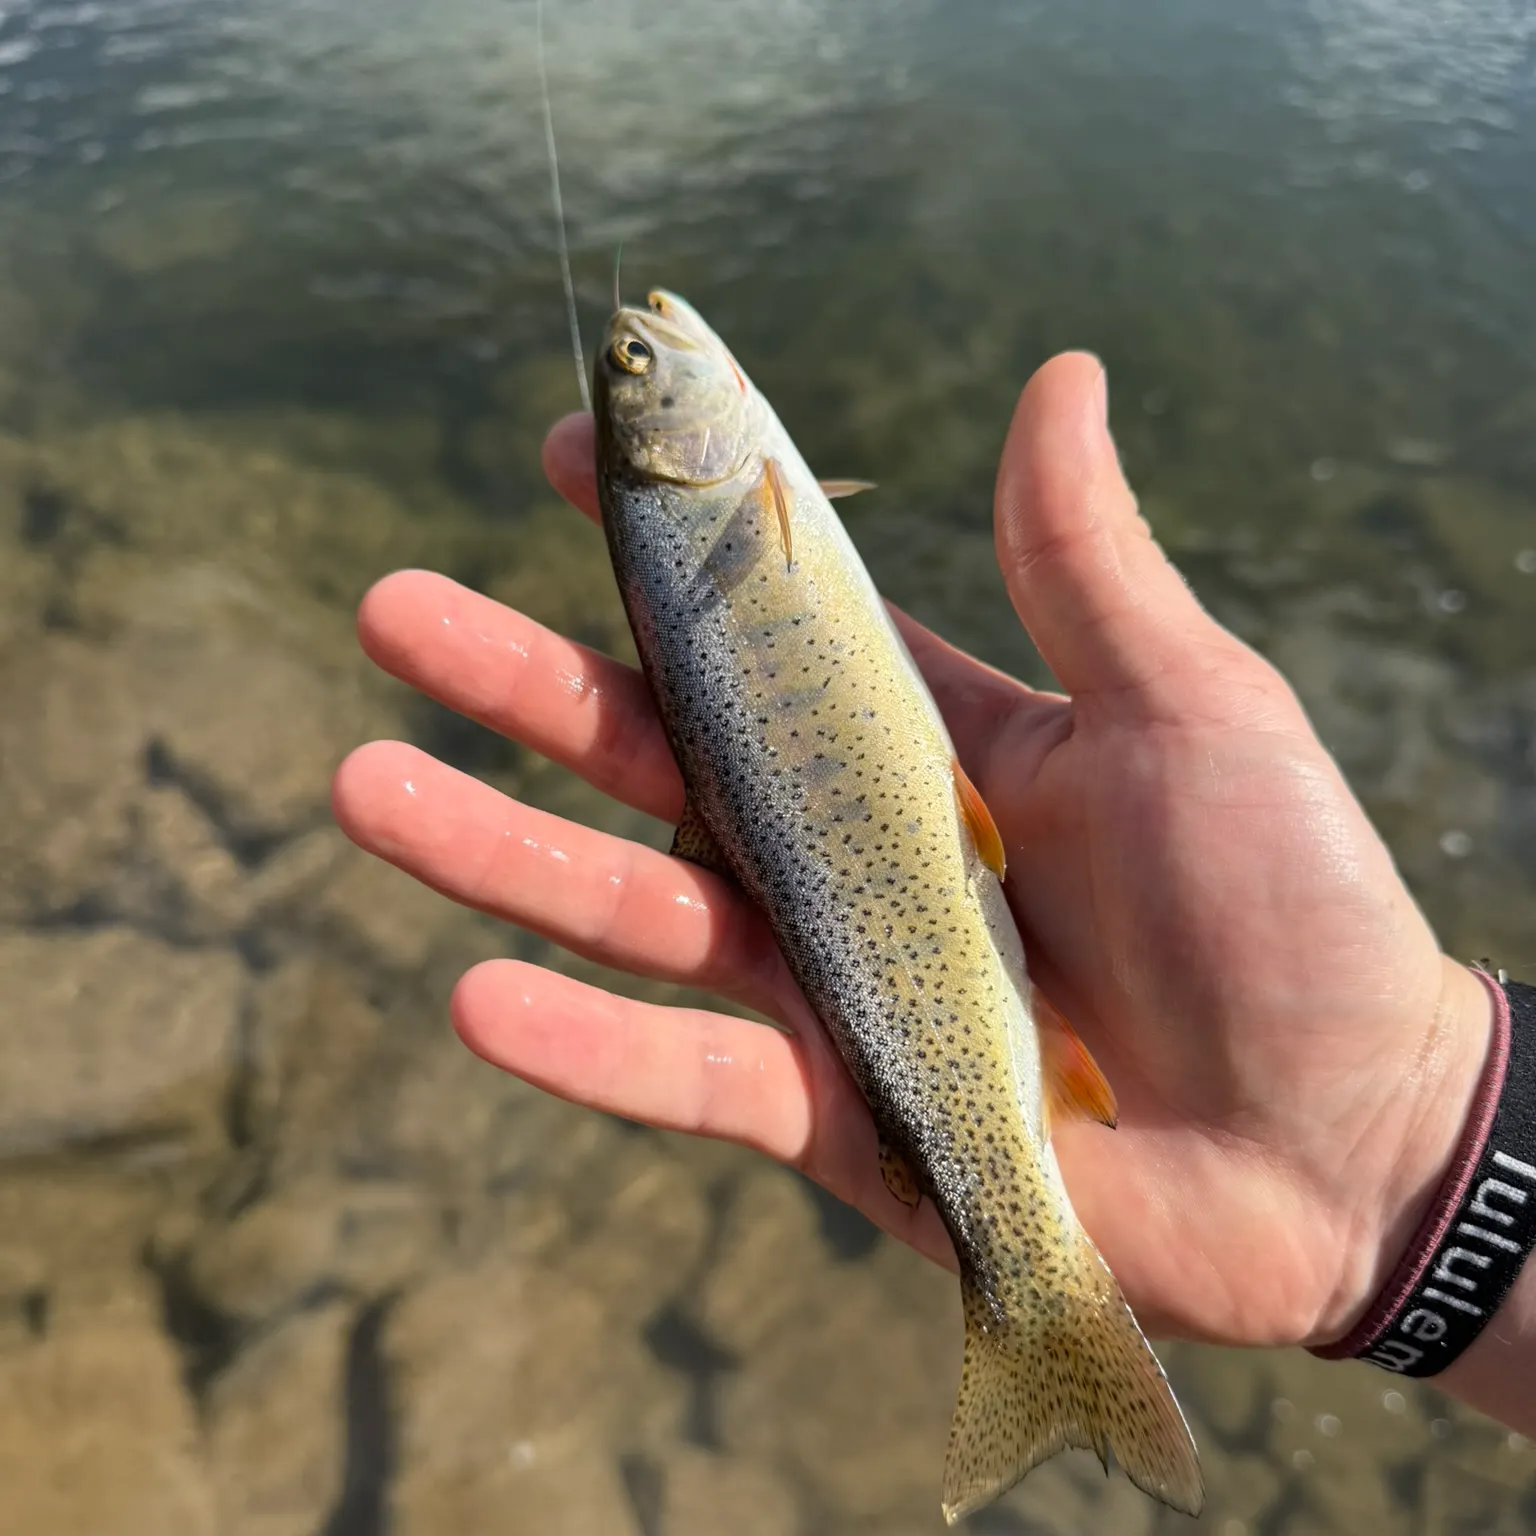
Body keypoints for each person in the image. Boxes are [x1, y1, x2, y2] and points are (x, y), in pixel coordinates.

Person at [331, 353, 1531, 1432]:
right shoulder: (734, 490)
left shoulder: (735, 492)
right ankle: (1036, 1300)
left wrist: (1410, 1156)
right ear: (680, 453)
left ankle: (1034, 1304)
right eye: (642, 367)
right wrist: (1411, 1162)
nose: (645, 346)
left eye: (632, 364)